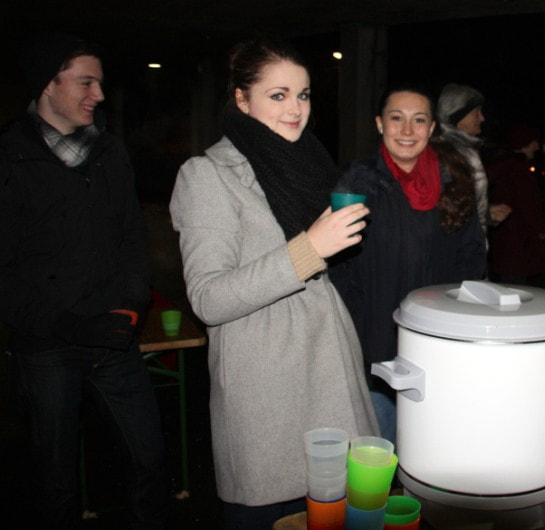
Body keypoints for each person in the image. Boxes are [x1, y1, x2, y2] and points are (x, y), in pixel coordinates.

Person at [169, 36, 379, 528]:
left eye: (302, 95)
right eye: (278, 95)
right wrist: (311, 248)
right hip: (267, 382)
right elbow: (208, 297)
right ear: (241, 99)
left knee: (336, 512)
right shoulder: (207, 175)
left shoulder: (308, 163)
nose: (295, 109)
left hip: (328, 361)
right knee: (273, 513)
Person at [0, 33, 168, 528]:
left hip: (113, 339)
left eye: (99, 82)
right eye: (85, 83)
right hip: (47, 347)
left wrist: (131, 304)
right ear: (48, 84)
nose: (98, 94)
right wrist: (67, 325)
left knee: (150, 459)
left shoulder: (110, 152)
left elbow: (133, 239)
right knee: (54, 480)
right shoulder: (8, 157)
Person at [330, 86, 487, 443]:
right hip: (375, 347)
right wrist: (357, 330)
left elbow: (472, 255)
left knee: (430, 446)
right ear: (379, 124)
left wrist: (449, 314)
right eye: (396, 118)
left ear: (431, 128)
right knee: (379, 449)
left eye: (418, 121)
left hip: (436, 342)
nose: (406, 130)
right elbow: (338, 267)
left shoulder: (454, 180)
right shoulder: (357, 181)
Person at [436, 83, 511, 238]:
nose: (482, 118)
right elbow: (443, 213)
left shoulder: (464, 150)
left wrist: (486, 212)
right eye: (476, 112)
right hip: (461, 248)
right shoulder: (449, 154)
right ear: (458, 116)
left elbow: (459, 205)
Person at [485, 123, 545, 285]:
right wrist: (541, 228)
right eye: (533, 142)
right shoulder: (516, 169)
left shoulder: (508, 165)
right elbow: (528, 205)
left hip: (510, 238)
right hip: (518, 239)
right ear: (523, 144)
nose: (537, 147)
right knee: (515, 286)